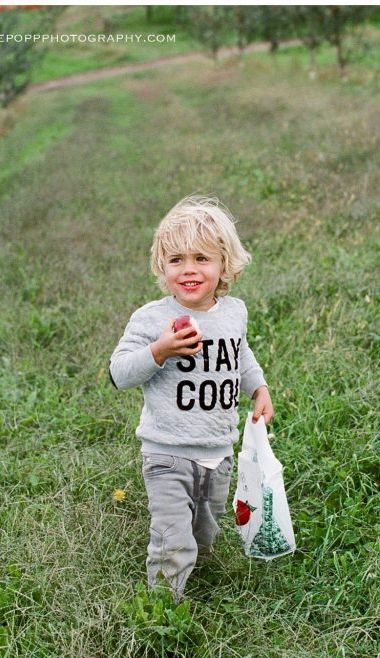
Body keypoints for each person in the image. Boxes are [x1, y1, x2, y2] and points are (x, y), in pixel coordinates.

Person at [108, 195, 274, 602]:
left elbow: (240, 353)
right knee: (172, 539)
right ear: (162, 267)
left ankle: (198, 572)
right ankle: (163, 614)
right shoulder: (151, 319)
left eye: (202, 258)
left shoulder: (234, 312)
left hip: (219, 450)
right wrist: (159, 351)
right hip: (167, 452)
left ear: (224, 265)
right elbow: (119, 372)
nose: (189, 270)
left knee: (205, 530)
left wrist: (259, 387)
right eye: (176, 260)